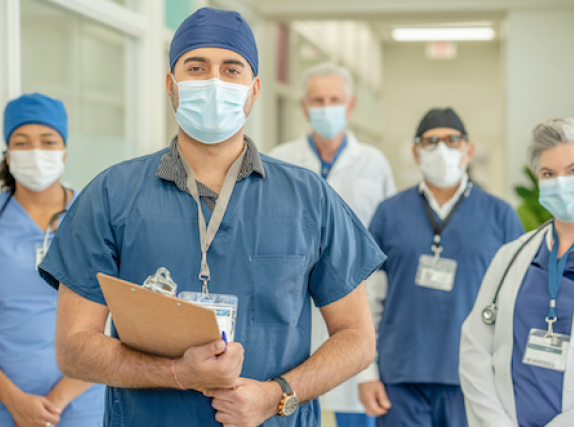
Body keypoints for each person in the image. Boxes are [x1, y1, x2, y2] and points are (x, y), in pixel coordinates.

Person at [37, 7, 385, 427]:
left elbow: (358, 338)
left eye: (231, 69)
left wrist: (277, 395)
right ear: (171, 85)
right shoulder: (112, 195)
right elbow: (73, 347)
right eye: (196, 67)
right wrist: (177, 374)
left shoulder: (309, 198)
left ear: (254, 89)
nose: (214, 82)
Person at [358, 108, 524, 427]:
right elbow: (367, 302)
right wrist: (366, 374)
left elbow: (516, 307)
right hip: (400, 377)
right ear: (415, 152)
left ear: (469, 150)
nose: (441, 150)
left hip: (474, 378)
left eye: (451, 140)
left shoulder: (501, 216)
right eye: (430, 142)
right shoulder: (389, 214)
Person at [460, 117, 574, 427]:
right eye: (549, 173)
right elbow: (474, 348)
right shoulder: (511, 256)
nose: (560, 182)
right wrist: (495, 422)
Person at [269, 62, 396, 427]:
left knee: (354, 412)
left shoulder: (374, 163)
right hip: (293, 306)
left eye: (334, 99)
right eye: (318, 100)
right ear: (304, 106)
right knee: (288, 403)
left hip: (358, 307)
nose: (326, 108)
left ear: (351, 105)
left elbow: (385, 245)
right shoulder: (280, 159)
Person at [0, 93, 105, 427]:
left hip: (82, 405)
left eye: (47, 141)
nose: (35, 152)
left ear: (64, 151)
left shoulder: (94, 218)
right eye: (22, 142)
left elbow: (117, 322)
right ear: (8, 151)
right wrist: (16, 404)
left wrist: (52, 405)